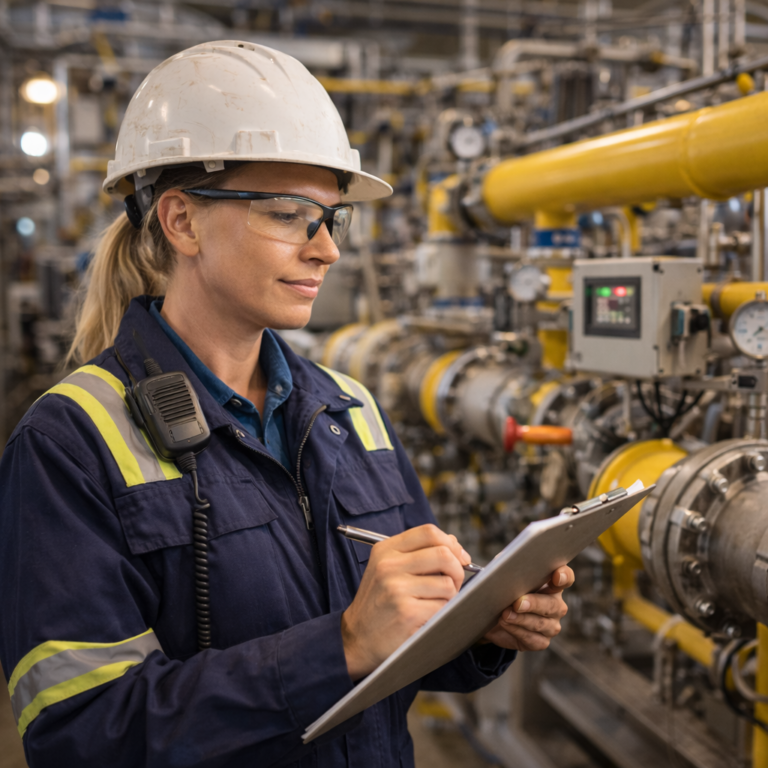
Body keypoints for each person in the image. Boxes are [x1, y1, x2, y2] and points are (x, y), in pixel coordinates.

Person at [0, 41, 573, 768]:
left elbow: (404, 643)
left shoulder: (347, 409)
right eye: (291, 214)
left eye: (333, 219)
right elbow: (83, 733)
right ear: (181, 222)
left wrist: (480, 624)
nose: (327, 250)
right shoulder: (71, 441)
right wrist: (339, 646)